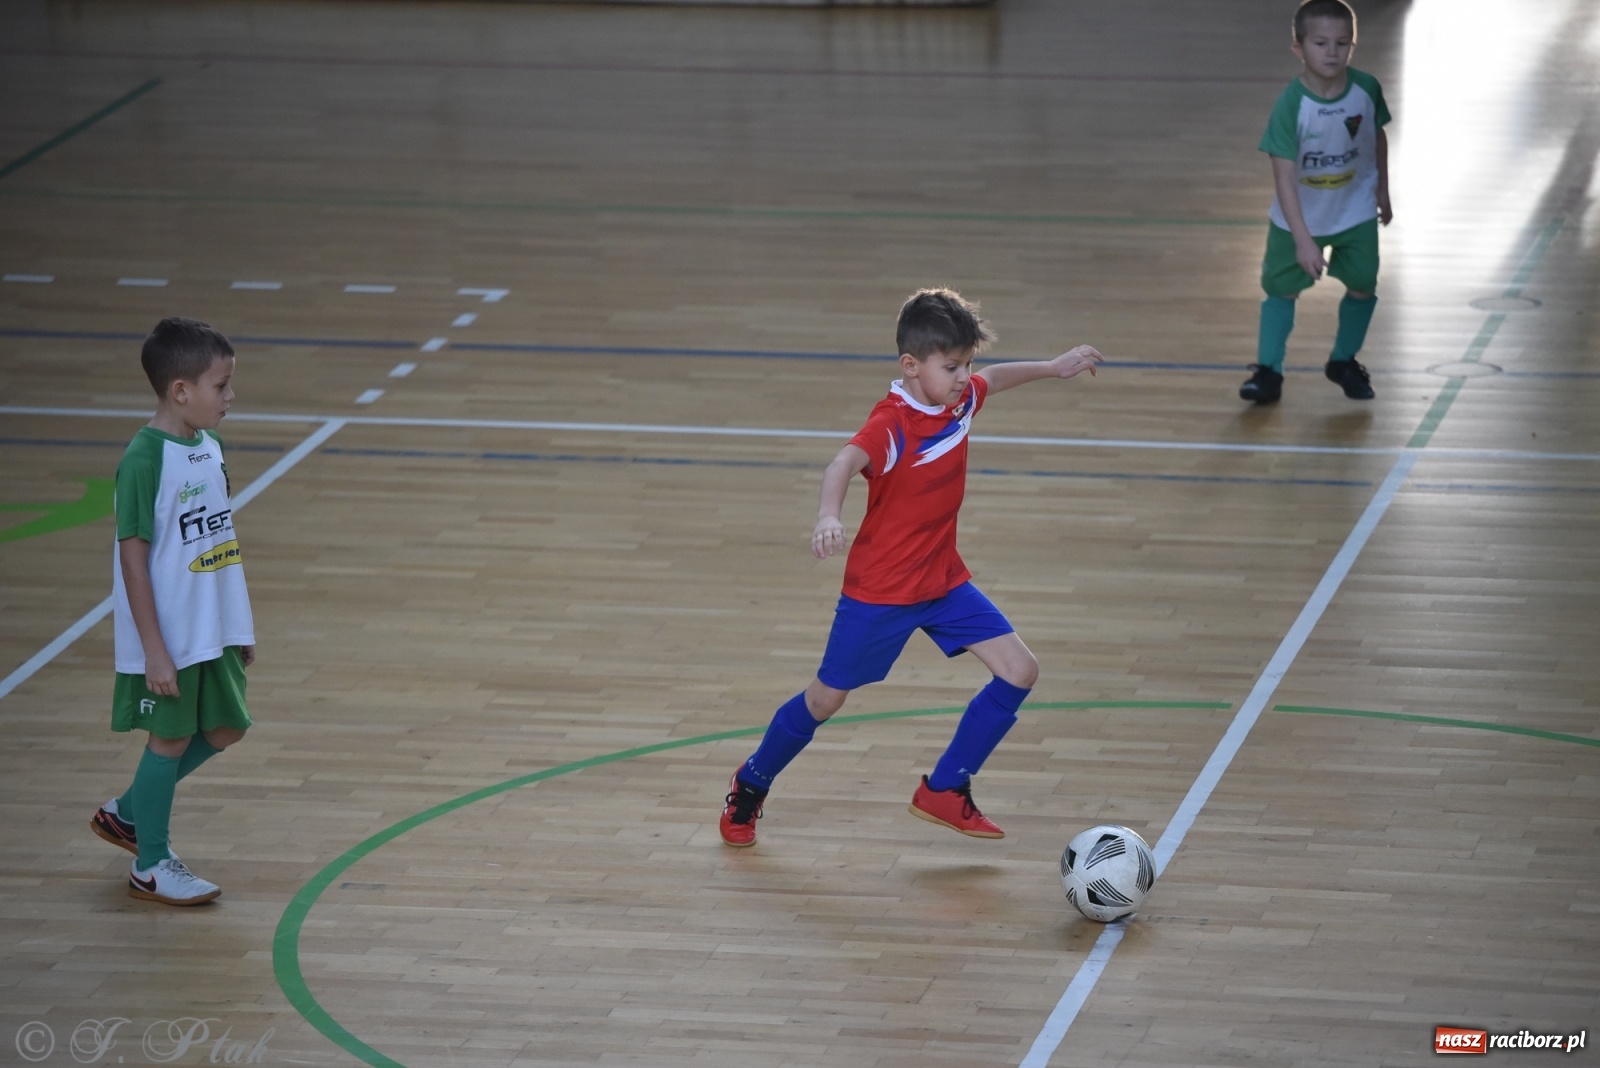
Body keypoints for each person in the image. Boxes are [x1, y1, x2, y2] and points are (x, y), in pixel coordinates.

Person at [719, 288, 1103, 847]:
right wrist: (829, 514)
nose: (963, 378)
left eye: (965, 364)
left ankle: (945, 789)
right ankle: (751, 783)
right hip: (881, 590)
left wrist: (1051, 367)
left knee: (1020, 671)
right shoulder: (893, 422)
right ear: (911, 365)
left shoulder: (959, 396)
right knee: (826, 699)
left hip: (942, 579)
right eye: (951, 367)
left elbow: (993, 380)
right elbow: (843, 461)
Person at [90, 317, 255, 905]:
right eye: (222, 385)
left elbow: (217, 541)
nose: (230, 396)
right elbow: (133, 563)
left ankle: (129, 812)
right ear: (180, 390)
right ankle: (151, 864)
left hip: (214, 628)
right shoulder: (142, 460)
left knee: (228, 726)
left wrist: (238, 624)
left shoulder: (208, 447)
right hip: (170, 636)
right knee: (171, 740)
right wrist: (153, 648)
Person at [1241, 0, 1393, 405]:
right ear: (1299, 49)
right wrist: (1303, 239)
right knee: (1281, 291)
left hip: (1355, 212)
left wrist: (1383, 189)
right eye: (1321, 43)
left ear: (1352, 47)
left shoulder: (1366, 89)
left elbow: (1376, 136)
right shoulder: (1292, 106)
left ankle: (1343, 362)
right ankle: (1269, 372)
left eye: (1343, 43)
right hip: (1298, 219)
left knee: (1363, 285)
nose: (1332, 52)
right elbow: (1284, 178)